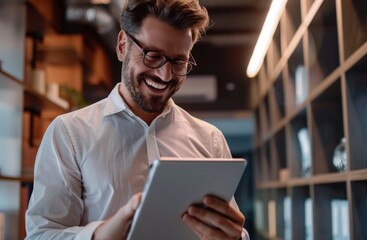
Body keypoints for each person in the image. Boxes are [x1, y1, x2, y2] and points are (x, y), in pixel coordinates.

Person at [25, 0, 250, 239]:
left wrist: (236, 237)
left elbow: (224, 228)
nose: (165, 75)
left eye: (179, 62)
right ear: (123, 46)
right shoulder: (70, 133)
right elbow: (42, 234)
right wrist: (101, 234)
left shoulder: (210, 139)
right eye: (152, 56)